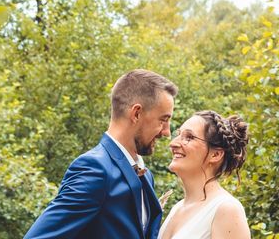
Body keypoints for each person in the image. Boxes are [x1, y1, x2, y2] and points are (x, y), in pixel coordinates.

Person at [24, 69, 178, 239]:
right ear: (136, 113)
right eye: (163, 120)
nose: (167, 132)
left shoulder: (146, 176)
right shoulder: (94, 168)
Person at [158, 110, 251, 239]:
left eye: (189, 137)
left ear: (215, 155)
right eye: (178, 134)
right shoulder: (177, 208)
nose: (173, 143)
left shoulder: (226, 209)